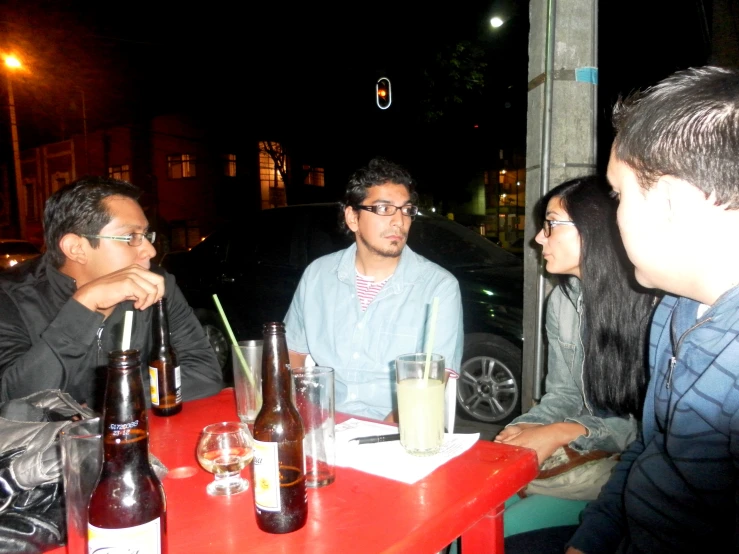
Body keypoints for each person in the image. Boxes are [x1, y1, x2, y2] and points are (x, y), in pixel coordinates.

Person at [510, 66, 739, 554]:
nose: (614, 215)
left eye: (619, 194)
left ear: (674, 202)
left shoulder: (673, 318)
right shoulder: (675, 313)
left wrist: (566, 433)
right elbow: (647, 455)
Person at [496, 176, 655, 537]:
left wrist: (564, 431)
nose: (539, 238)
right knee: (476, 507)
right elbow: (563, 394)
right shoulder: (562, 302)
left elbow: (651, 429)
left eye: (551, 225)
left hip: (628, 471)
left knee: (497, 529)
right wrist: (525, 428)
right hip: (580, 454)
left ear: (592, 228)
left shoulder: (652, 306)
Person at [0, 177, 223, 409]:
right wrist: (84, 306)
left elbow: (203, 372)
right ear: (76, 248)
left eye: (146, 235)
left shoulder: (157, 285)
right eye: (131, 237)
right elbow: (11, 400)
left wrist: (111, 402)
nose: (150, 250)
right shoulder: (9, 297)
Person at [284, 157, 464, 427]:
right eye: (384, 208)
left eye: (406, 210)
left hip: (397, 429)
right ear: (352, 217)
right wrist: (302, 411)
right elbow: (292, 352)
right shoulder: (317, 276)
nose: (399, 222)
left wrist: (379, 434)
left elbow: (430, 385)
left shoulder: (439, 287)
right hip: (323, 423)